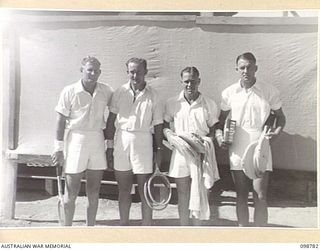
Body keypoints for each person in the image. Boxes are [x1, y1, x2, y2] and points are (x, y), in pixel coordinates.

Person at [217, 52, 286, 227]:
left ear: (256, 68)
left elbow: (281, 118)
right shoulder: (229, 93)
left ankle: (260, 236)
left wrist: (274, 136)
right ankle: (243, 234)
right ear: (237, 69)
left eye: (249, 67)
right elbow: (220, 121)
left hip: (260, 146)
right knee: (241, 194)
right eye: (242, 68)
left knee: (260, 196)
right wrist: (221, 136)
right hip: (237, 146)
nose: (246, 71)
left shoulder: (269, 91)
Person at [51, 56, 113, 226]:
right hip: (76, 139)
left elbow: (114, 115)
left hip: (97, 140)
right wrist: (58, 148)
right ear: (82, 70)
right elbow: (60, 121)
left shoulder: (106, 91)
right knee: (71, 192)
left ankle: (89, 229)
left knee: (93, 191)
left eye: (96, 71)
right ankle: (67, 230)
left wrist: (110, 145)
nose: (92, 74)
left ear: (100, 73)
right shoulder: (69, 91)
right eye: (89, 70)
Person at [105, 57, 163, 226]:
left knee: (145, 188)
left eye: (138, 71)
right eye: (131, 72)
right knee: (123, 189)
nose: (135, 75)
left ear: (146, 72)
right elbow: (111, 121)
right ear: (127, 72)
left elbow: (158, 124)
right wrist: (109, 147)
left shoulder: (154, 95)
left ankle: (146, 227)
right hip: (121, 141)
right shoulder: (119, 92)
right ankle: (124, 224)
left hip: (143, 142)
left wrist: (159, 149)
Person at [163, 66, 220, 226]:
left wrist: (205, 145)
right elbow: (165, 125)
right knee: (183, 193)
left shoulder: (209, 103)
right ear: (181, 81)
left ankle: (197, 231)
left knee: (201, 192)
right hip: (181, 153)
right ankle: (184, 229)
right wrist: (170, 136)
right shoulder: (172, 103)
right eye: (186, 81)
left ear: (199, 81)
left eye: (193, 81)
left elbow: (213, 129)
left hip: (201, 154)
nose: (190, 85)